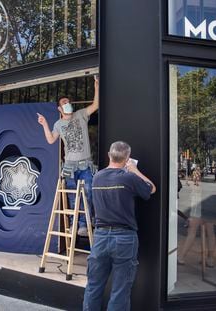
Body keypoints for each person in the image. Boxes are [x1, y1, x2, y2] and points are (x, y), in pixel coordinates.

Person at [83, 141, 156, 311]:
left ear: (109, 155)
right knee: (120, 290)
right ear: (127, 158)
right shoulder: (129, 178)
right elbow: (151, 188)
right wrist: (134, 170)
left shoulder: (97, 177)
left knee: (93, 286)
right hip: (124, 238)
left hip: (100, 236)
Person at [37, 75, 99, 236]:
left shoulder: (81, 115)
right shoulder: (58, 124)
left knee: (88, 194)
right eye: (64, 103)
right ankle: (74, 224)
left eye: (68, 102)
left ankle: (84, 224)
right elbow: (51, 140)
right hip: (69, 166)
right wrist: (44, 124)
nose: (68, 105)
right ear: (59, 108)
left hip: (85, 163)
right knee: (72, 197)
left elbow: (96, 104)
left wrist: (97, 85)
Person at [177, 182, 215, 267]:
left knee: (192, 231)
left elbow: (196, 197)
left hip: (199, 208)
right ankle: (210, 259)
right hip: (209, 207)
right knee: (210, 233)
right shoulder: (205, 185)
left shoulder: (197, 184)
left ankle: (181, 257)